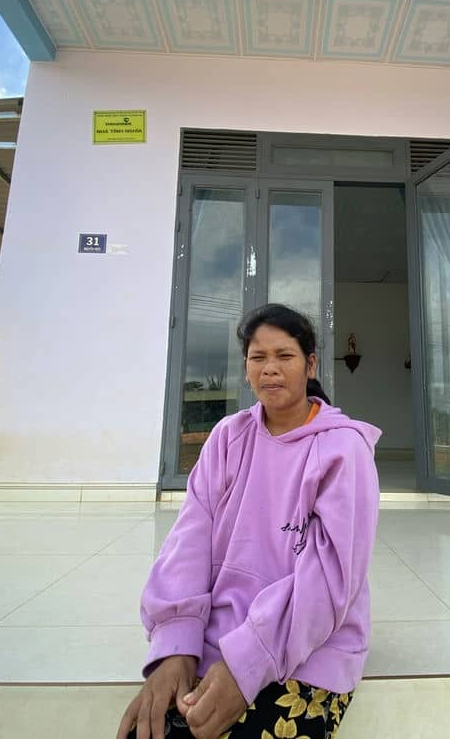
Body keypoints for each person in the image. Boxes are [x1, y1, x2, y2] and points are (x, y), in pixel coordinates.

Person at [118, 303, 381, 739]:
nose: (270, 369)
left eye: (285, 356)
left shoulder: (343, 450)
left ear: (310, 364)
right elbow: (189, 540)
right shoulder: (228, 437)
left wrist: (248, 662)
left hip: (310, 647)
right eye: (258, 357)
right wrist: (176, 643)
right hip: (216, 638)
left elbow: (330, 579)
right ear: (245, 368)